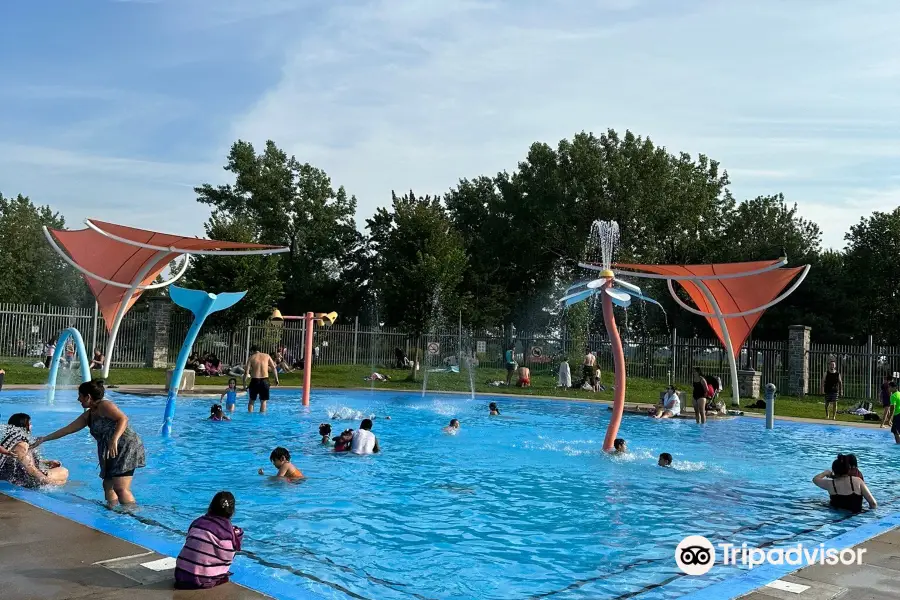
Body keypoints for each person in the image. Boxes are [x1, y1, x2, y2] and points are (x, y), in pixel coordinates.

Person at [34, 379, 145, 506]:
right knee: (107, 484)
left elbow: (123, 419)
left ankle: (131, 514)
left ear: (88, 397)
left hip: (126, 446)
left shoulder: (105, 405)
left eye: (80, 396)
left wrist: (114, 439)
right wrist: (44, 439)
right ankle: (112, 509)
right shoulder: (89, 415)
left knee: (120, 488)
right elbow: (68, 429)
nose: (78, 399)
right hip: (110, 449)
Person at [174, 491, 244, 590]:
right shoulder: (229, 532)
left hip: (181, 574)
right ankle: (211, 571)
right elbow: (228, 554)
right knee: (236, 537)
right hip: (202, 579)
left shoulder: (197, 522)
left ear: (211, 506)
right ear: (232, 511)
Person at [0, 413, 68, 487]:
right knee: (64, 472)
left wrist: (47, 462)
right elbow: (31, 470)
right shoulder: (21, 445)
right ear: (25, 426)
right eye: (30, 424)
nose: (31, 426)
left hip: (15, 475)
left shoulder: (9, 441)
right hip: (22, 480)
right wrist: (52, 483)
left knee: (60, 475)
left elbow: (20, 461)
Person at [243, 345, 279, 413]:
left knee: (251, 401)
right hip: (265, 381)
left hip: (255, 381)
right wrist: (276, 379)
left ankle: (250, 417)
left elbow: (246, 372)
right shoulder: (267, 356)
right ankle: (262, 418)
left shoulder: (251, 358)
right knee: (263, 401)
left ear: (252, 351)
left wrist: (244, 384)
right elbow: (274, 368)